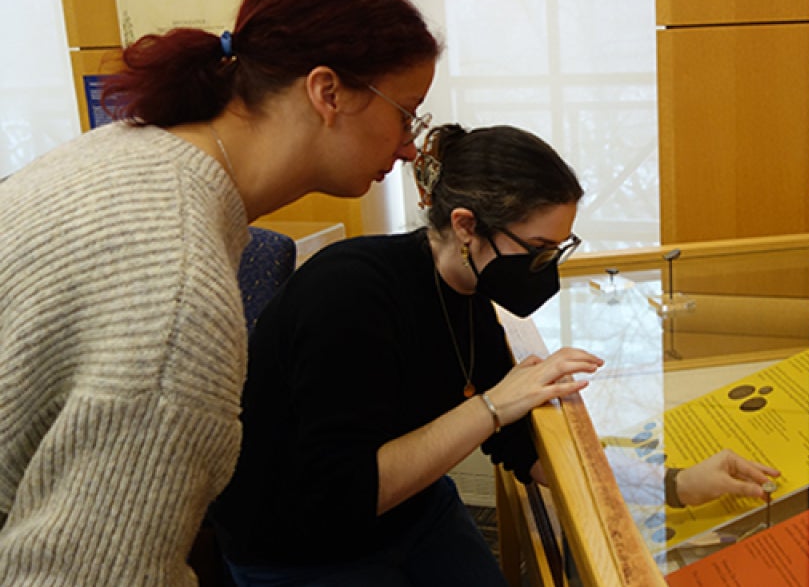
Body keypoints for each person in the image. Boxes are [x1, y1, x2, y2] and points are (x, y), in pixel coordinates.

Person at [0, 0, 439, 585]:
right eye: (406, 112)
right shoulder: (180, 301)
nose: (410, 147)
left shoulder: (128, 148)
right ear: (327, 92)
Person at [208, 124, 603, 585]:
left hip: (411, 506)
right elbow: (347, 491)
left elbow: (515, 441)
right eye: (537, 249)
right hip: (301, 541)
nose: (544, 266)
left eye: (557, 249)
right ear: (466, 226)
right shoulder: (349, 294)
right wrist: (494, 406)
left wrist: (640, 483)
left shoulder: (469, 289)